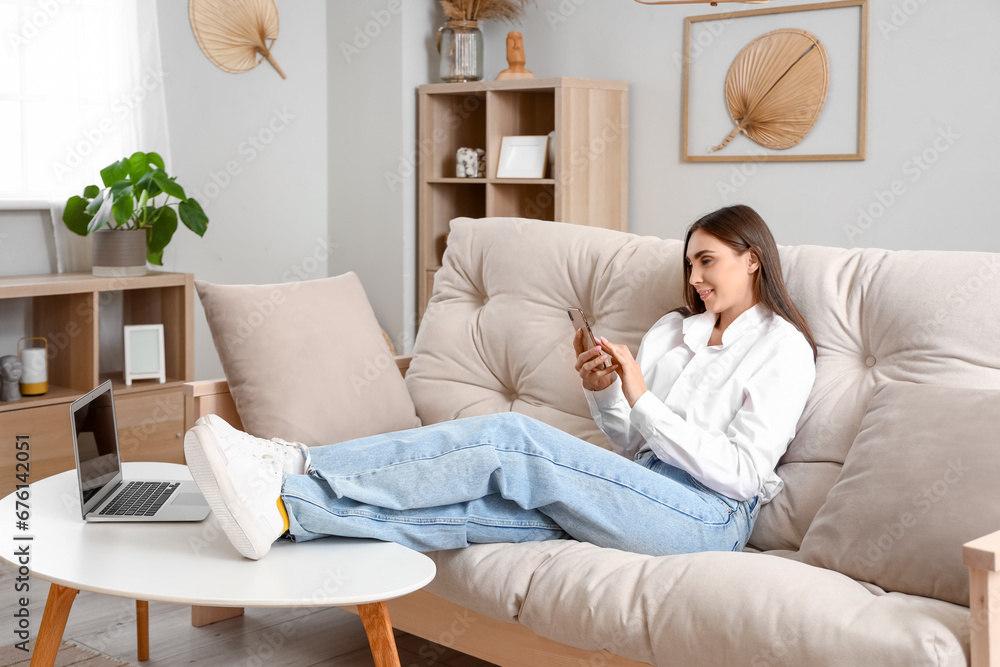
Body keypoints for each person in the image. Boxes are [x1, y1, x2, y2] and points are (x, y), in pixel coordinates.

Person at [183, 204, 818, 561]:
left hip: (708, 517)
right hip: (641, 487)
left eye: (707, 261)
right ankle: (286, 510)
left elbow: (740, 472)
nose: (695, 277)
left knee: (515, 441)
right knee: (479, 508)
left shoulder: (783, 349)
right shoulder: (670, 332)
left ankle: (292, 461)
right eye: (690, 264)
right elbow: (631, 445)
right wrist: (605, 390)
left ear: (752, 258)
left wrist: (644, 399)